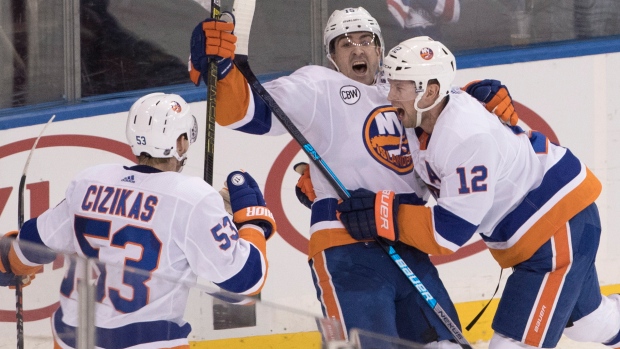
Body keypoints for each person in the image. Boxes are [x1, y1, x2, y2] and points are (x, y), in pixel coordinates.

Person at [189, 7, 516, 347]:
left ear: (380, 49)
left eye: (366, 40)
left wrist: (480, 94)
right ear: (332, 56)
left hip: (408, 242)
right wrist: (223, 71)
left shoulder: (407, 89)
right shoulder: (318, 87)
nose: (357, 49)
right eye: (344, 44)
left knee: (445, 344)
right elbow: (245, 113)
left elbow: (447, 113)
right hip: (346, 249)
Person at [336, 36, 620, 348]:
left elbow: (448, 233)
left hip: (557, 227)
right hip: (548, 227)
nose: (390, 96)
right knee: (590, 325)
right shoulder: (423, 116)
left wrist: (383, 215)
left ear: (428, 91)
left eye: (398, 87)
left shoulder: (465, 137)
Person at [0, 92, 276, 349]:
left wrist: (11, 264)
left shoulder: (90, 180)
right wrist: (252, 222)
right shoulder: (193, 198)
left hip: (74, 337)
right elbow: (245, 281)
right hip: (148, 342)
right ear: (180, 142)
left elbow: (30, 246)